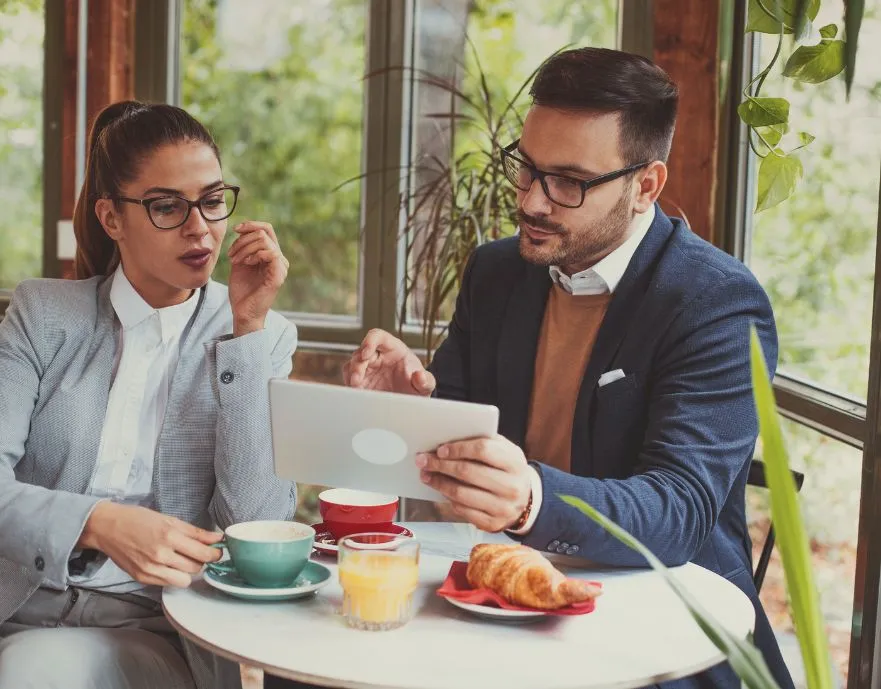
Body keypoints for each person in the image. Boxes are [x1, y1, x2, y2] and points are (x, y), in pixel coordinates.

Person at [343, 48, 794, 689]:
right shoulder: (498, 271)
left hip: (659, 621)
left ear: (646, 185)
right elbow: (458, 432)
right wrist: (409, 406)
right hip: (502, 599)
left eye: (568, 181)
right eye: (526, 169)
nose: (532, 200)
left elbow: (681, 510)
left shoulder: (715, 302)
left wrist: (533, 499)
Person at [0, 101, 298, 689]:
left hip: (160, 627)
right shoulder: (42, 315)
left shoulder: (263, 335)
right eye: (167, 206)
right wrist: (99, 523)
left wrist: (246, 332)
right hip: (22, 606)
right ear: (112, 218)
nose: (200, 229)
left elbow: (258, 524)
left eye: (212, 201)